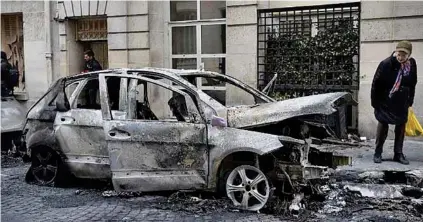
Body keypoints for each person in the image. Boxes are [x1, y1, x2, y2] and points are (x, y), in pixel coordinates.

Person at [371, 41, 418, 165]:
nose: (400, 57)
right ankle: (378, 152)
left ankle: (398, 153)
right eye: (399, 53)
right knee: (383, 125)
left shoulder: (412, 64)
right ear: (395, 52)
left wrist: (410, 100)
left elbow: (412, 83)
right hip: (386, 100)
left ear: (409, 55)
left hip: (402, 101)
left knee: (401, 127)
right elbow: (376, 84)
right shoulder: (386, 64)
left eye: (404, 54)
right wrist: (375, 103)